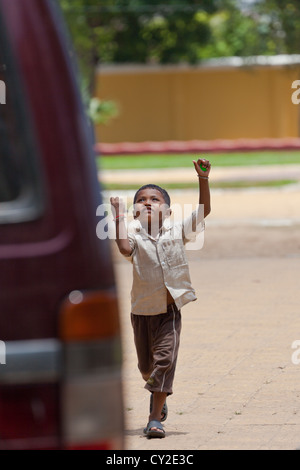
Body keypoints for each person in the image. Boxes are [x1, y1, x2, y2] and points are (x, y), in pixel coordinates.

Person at [110, 158, 211, 438]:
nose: (148, 203)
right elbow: (122, 248)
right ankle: (157, 390)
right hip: (141, 312)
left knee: (164, 362)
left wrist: (203, 179)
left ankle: (155, 419)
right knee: (147, 368)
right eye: (141, 200)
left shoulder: (177, 230)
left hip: (169, 312)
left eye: (155, 199)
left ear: (167, 210)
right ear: (134, 211)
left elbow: (204, 211)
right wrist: (117, 214)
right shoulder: (131, 232)